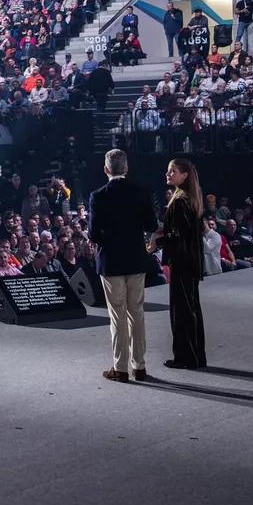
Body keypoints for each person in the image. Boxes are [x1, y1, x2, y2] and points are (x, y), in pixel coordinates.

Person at [88, 149, 159, 382]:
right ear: (126, 168)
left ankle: (120, 368)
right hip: (136, 259)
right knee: (137, 313)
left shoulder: (97, 196)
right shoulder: (140, 192)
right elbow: (151, 224)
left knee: (117, 315)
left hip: (111, 262)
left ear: (106, 169)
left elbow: (93, 234)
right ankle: (139, 366)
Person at [156, 158, 208, 369]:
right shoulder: (191, 199)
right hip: (192, 262)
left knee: (182, 312)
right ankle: (196, 356)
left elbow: (177, 236)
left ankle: (185, 358)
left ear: (184, 175)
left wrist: (156, 243)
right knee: (192, 309)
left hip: (182, 262)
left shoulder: (179, 201)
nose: (168, 174)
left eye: (172, 171)